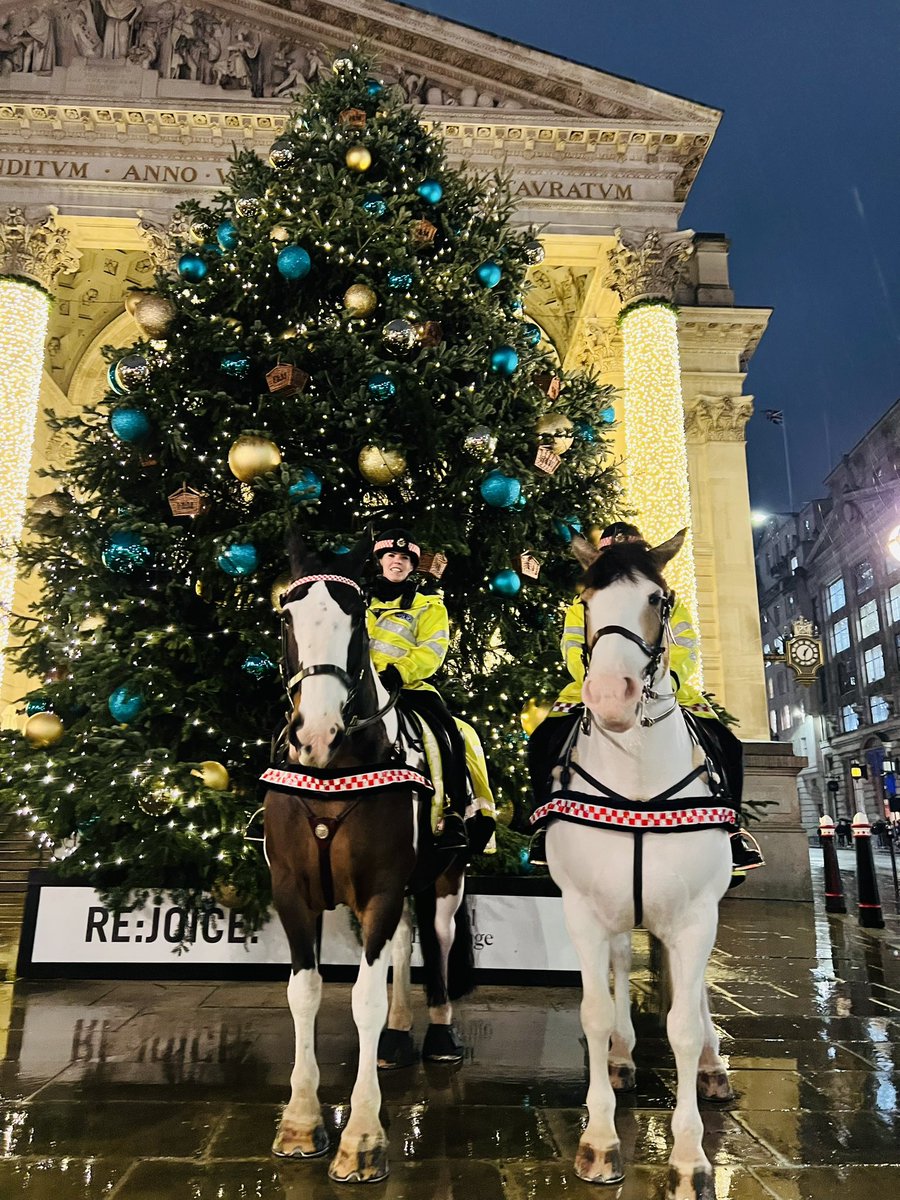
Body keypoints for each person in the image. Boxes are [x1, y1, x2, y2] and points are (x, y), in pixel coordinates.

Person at [528, 522, 764, 883]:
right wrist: (594, 679)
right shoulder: (582, 604)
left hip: (668, 689)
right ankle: (546, 823)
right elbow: (572, 647)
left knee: (726, 744)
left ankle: (730, 830)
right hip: (594, 687)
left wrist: (667, 679)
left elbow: (685, 645)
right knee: (545, 738)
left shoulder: (667, 601)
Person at [367, 529, 493, 858]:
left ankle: (453, 812)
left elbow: (433, 649)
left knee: (448, 733)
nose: (398, 561)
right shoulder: (357, 602)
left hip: (408, 688)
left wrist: (398, 672)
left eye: (405, 558)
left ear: (413, 566)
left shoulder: (429, 606)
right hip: (358, 690)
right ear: (380, 560)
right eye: (392, 556)